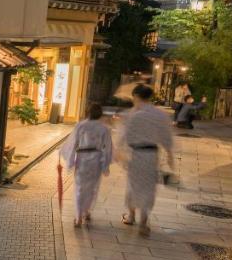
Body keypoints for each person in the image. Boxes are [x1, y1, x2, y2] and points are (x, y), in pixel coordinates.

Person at [118, 84, 174, 237]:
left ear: (136, 96)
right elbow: (166, 136)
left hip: (135, 154)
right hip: (152, 154)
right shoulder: (160, 115)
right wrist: (170, 155)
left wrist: (119, 152)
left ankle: (131, 216)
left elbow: (123, 136)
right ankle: (144, 221)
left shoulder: (133, 113)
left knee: (133, 185)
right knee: (148, 188)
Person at [60, 103, 113, 228]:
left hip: (82, 159)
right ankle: (87, 211)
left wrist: (70, 161)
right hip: (96, 160)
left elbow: (73, 144)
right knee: (92, 188)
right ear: (100, 114)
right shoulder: (104, 128)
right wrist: (106, 165)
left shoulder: (81, 125)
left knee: (80, 188)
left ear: (87, 112)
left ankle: (78, 216)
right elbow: (108, 148)